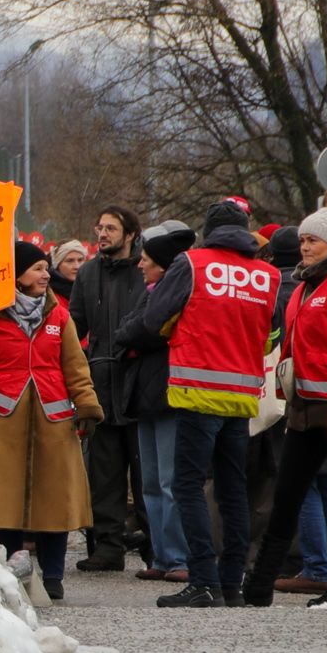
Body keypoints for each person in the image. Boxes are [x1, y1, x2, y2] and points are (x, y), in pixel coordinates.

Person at [119, 199, 270, 608]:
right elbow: (272, 329)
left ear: (209, 228)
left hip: (197, 390)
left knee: (187, 485)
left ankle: (203, 580)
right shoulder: (266, 274)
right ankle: (232, 584)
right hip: (241, 397)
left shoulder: (192, 263)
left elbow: (154, 318)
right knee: (232, 490)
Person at [243, 207, 327, 607]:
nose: (304, 246)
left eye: (313, 240)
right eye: (303, 240)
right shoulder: (305, 286)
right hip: (306, 412)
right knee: (287, 497)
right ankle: (258, 587)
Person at [0, 239, 102, 600]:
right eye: (37, 268)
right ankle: (11, 570)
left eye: (45, 268)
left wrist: (87, 404)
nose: (46, 274)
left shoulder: (60, 316)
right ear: (16, 274)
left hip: (53, 418)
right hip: (3, 418)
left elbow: (75, 367)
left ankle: (52, 576)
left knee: (54, 500)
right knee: (3, 500)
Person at [67, 205, 148, 573]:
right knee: (104, 474)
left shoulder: (146, 270)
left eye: (111, 228)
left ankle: (157, 548)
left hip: (139, 385)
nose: (103, 234)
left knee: (147, 476)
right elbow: (74, 327)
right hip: (100, 385)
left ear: (130, 234)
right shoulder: (87, 274)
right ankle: (108, 547)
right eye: (99, 227)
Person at [125, 222, 194, 581]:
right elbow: (128, 329)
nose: (139, 264)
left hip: (169, 395)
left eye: (146, 259)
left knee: (170, 482)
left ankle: (179, 558)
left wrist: (137, 334)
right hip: (145, 397)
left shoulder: (176, 292)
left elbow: (146, 329)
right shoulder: (148, 291)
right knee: (150, 484)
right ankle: (162, 558)